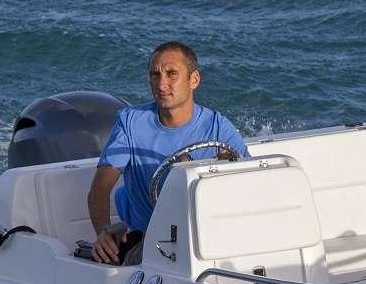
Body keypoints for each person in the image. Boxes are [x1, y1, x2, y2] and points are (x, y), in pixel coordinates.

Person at [88, 42, 249, 264]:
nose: (162, 84)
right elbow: (100, 187)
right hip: (149, 240)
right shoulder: (130, 122)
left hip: (203, 239)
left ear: (194, 80)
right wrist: (102, 232)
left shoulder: (218, 127)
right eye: (155, 75)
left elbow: (249, 184)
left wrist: (227, 170)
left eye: (172, 74)